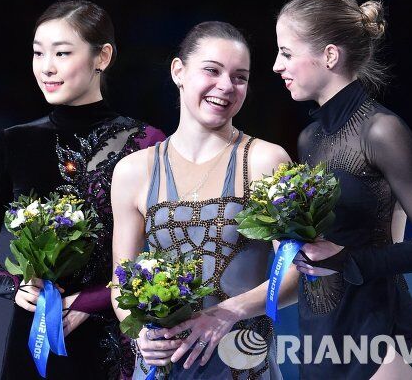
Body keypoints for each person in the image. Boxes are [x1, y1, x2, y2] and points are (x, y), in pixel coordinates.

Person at [0, 0, 165, 379]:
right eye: (39, 53)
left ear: (102, 56)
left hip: (112, 338)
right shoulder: (13, 143)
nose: (46, 67)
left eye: (62, 53)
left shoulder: (146, 143)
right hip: (36, 336)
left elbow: (162, 253)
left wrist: (93, 299)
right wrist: (16, 287)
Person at [272, 0, 412, 379]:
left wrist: (348, 260)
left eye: (287, 53)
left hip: (382, 334)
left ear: (329, 55)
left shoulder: (381, 130)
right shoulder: (310, 137)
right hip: (323, 333)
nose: (276, 66)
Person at [110, 21, 297, 379]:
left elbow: (296, 273)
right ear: (178, 72)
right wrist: (138, 334)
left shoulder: (265, 160)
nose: (226, 86)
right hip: (161, 366)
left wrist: (228, 311)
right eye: (212, 70)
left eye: (239, 77)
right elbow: (122, 280)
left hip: (242, 365)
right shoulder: (134, 171)